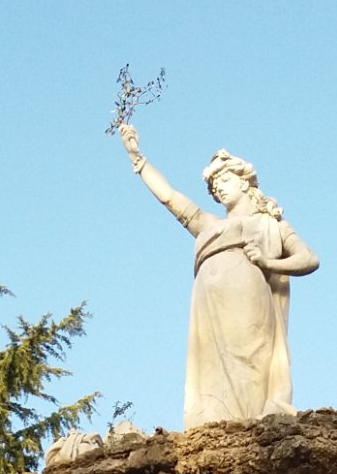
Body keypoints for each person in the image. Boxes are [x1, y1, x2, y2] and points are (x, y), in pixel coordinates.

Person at [118, 126, 319, 428]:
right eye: (214, 187)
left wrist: (268, 262)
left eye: (224, 180)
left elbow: (309, 259)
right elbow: (170, 198)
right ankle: (216, 434)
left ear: (244, 181)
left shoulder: (270, 223)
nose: (219, 189)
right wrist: (139, 160)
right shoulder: (208, 224)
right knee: (210, 374)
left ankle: (251, 432)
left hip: (249, 300)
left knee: (249, 365)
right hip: (207, 306)